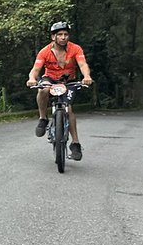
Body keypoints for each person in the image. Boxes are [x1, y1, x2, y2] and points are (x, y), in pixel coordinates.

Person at [27, 21, 93, 160]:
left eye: (66, 34)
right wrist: (32, 78)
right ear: (53, 37)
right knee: (42, 89)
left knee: (68, 109)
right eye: (60, 35)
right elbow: (36, 69)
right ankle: (43, 118)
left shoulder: (75, 49)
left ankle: (75, 143)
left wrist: (86, 76)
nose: (63, 37)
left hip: (68, 81)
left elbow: (83, 64)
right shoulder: (45, 51)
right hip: (50, 79)